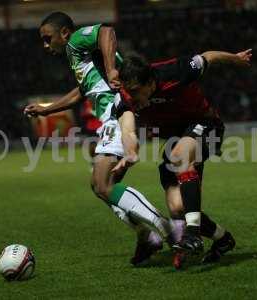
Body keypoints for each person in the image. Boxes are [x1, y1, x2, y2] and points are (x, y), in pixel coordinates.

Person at [24, 12, 176, 265]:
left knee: (102, 183)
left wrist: (111, 69)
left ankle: (168, 230)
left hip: (117, 114)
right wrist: (46, 109)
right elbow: (81, 92)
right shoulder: (76, 59)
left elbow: (106, 31)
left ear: (64, 33)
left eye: (48, 38)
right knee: (101, 187)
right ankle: (145, 236)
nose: (46, 45)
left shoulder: (76, 41)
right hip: (111, 118)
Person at [119, 49, 252, 267]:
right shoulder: (125, 95)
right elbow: (128, 129)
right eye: (129, 92)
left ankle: (192, 234)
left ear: (151, 82)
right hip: (176, 138)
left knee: (180, 155)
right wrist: (130, 151)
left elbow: (208, 57)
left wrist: (235, 59)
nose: (132, 97)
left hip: (206, 125)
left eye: (136, 91)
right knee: (178, 207)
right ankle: (223, 238)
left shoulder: (176, 71)